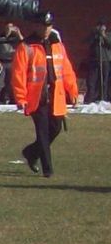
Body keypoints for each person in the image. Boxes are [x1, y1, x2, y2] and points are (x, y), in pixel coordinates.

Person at [9, 12, 79, 177]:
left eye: (49, 26)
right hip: (36, 97)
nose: (46, 29)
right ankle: (48, 170)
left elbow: (66, 70)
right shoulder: (26, 46)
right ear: (36, 26)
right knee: (42, 132)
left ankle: (31, 153)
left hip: (56, 96)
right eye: (43, 25)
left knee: (55, 129)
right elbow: (18, 74)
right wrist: (20, 97)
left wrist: (73, 91)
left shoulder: (58, 45)